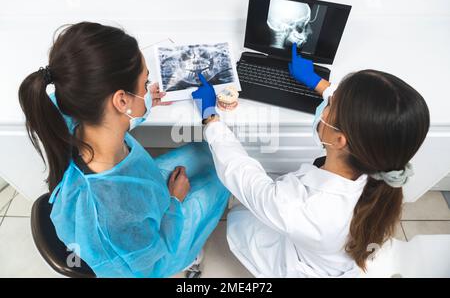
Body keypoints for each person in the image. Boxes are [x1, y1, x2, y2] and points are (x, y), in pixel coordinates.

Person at [191, 43, 430, 277]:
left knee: (243, 219)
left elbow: (242, 175)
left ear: (340, 140)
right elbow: (365, 114)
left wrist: (211, 118)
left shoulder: (302, 207)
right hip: (332, 250)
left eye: (330, 105)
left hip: (301, 263)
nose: (325, 104)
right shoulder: (381, 158)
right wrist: (317, 82)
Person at [18, 22, 229, 278]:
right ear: (120, 100)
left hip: (142, 189)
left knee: (209, 153)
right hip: (154, 253)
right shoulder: (114, 214)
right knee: (221, 178)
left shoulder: (70, 110)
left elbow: (106, 112)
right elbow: (149, 264)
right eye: (145, 82)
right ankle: (189, 258)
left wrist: (141, 103)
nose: (147, 88)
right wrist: (174, 202)